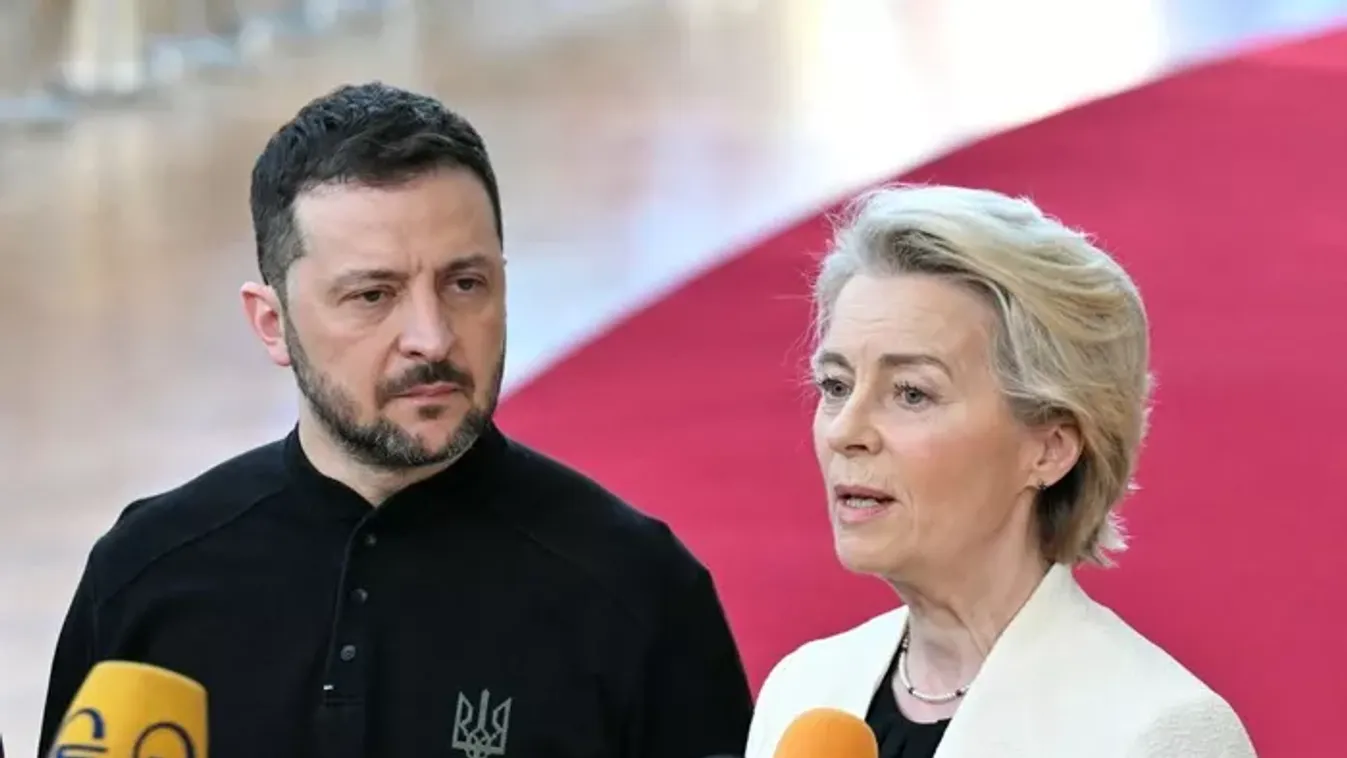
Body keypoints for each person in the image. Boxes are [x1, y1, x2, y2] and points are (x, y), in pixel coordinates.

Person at [38, 82, 753, 758]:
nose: (431, 339)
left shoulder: (638, 589)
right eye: (373, 295)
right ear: (271, 323)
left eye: (464, 284)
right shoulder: (148, 573)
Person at [744, 185, 1258, 758]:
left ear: (1050, 448)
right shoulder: (803, 690)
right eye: (836, 385)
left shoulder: (1156, 730)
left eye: (911, 393)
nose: (845, 431)